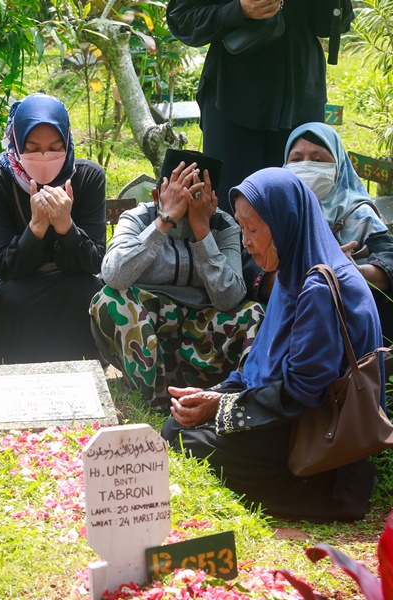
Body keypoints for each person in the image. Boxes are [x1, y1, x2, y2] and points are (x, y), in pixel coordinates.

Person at [163, 168, 382, 522]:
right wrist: (216, 394)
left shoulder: (318, 289)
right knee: (178, 427)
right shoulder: (293, 270)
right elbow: (262, 366)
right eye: (241, 227)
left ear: (285, 223)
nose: (246, 241)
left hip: (314, 429)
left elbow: (304, 392)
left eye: (254, 229)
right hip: (289, 413)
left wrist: (219, 407)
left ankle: (323, 488)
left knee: (187, 439)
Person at [92, 149, 263, 409]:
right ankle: (157, 402)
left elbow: (230, 298)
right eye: (177, 196)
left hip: (202, 333)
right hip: (147, 329)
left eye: (195, 198)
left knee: (253, 313)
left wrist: (202, 231)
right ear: (156, 195)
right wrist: (165, 220)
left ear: (212, 202)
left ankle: (236, 397)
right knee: (109, 299)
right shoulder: (138, 218)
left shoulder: (223, 225)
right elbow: (113, 275)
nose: (186, 206)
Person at [167, 0, 355, 211]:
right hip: (233, 100)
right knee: (233, 208)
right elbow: (181, 20)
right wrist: (239, 10)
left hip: (300, 100)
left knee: (297, 207)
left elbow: (334, 23)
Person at [0, 94, 107, 364]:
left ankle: (86, 368)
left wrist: (66, 227)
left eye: (55, 147)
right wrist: (35, 229)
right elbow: (0, 263)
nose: (45, 157)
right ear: (16, 141)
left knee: (90, 291)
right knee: (11, 299)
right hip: (12, 278)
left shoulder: (88, 177)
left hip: (71, 275)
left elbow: (95, 260)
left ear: (68, 141)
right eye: (33, 148)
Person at [261, 123, 393, 342]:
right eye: (296, 159)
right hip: (287, 322)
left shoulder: (359, 214)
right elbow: (250, 269)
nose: (306, 166)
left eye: (318, 160)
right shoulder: (271, 212)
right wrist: (305, 275)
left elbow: (389, 256)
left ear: (338, 166)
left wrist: (354, 272)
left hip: (349, 326)